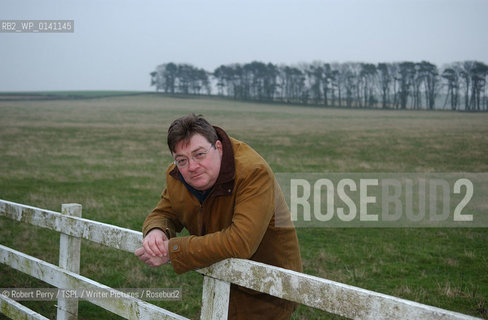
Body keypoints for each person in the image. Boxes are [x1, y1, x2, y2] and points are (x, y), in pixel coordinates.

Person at [135, 113, 302, 320]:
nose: (192, 167)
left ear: (218, 148)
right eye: (182, 160)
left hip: (266, 286)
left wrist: (174, 250)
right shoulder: (178, 175)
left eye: (199, 154)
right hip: (220, 276)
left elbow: (240, 242)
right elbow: (164, 212)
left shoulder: (253, 173)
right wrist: (156, 230)